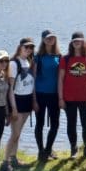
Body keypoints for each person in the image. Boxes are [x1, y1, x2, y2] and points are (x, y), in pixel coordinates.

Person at [59, 31, 86, 158]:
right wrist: (60, 98)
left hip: (85, 98)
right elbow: (60, 79)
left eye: (79, 40)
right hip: (69, 98)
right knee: (71, 123)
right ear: (72, 43)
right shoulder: (66, 59)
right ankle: (73, 149)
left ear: (83, 42)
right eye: (75, 40)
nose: (77, 42)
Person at [2, 38, 35, 171]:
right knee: (14, 134)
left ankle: (14, 158)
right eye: (26, 47)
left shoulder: (27, 61)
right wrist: (13, 108)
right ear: (20, 47)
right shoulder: (14, 63)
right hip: (17, 101)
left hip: (27, 101)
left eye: (31, 47)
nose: (28, 50)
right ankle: (5, 162)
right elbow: (10, 89)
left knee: (18, 133)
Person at [34, 30, 62, 161]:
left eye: (52, 38)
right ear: (43, 40)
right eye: (48, 38)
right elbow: (32, 79)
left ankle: (48, 150)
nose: (50, 40)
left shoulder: (59, 56)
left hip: (54, 95)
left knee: (55, 124)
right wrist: (33, 99)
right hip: (40, 94)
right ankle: (40, 151)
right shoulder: (37, 57)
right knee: (39, 123)